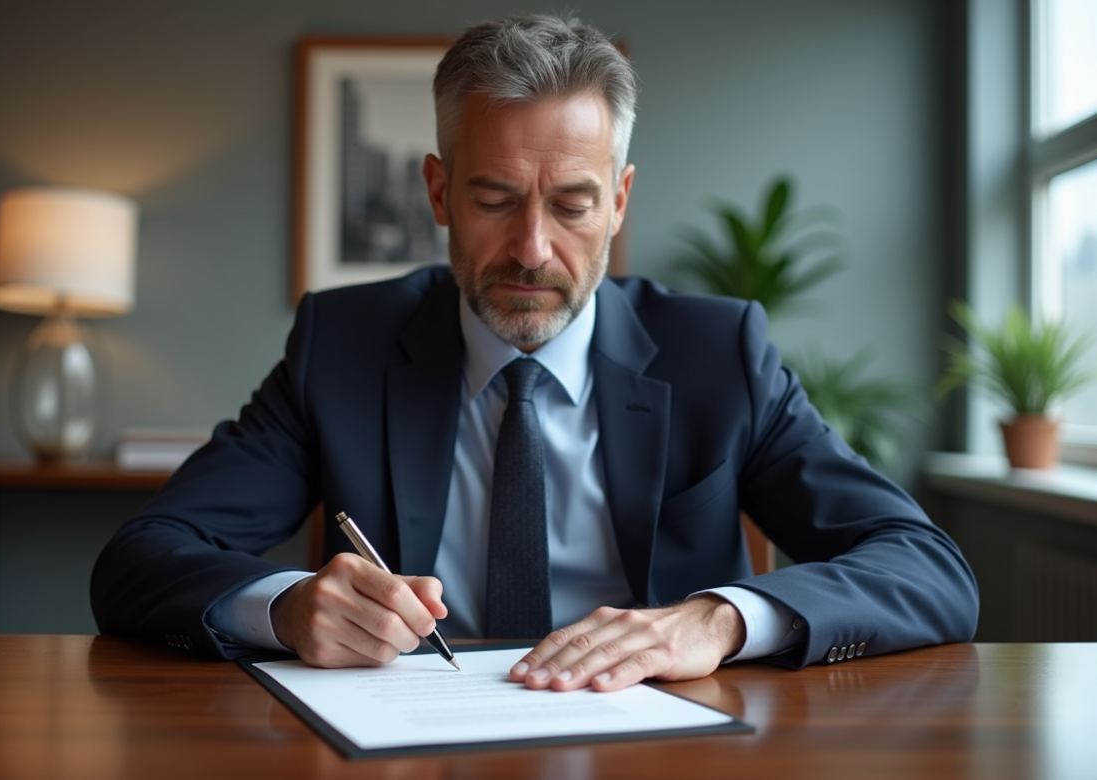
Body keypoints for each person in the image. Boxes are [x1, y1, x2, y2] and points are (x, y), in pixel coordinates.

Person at [91, 14, 978, 693]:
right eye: (495, 198)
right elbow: (145, 556)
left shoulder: (720, 353)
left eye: (573, 205)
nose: (532, 250)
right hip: (410, 738)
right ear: (438, 191)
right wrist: (284, 608)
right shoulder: (345, 347)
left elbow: (927, 567)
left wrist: (720, 620)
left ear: (621, 201)